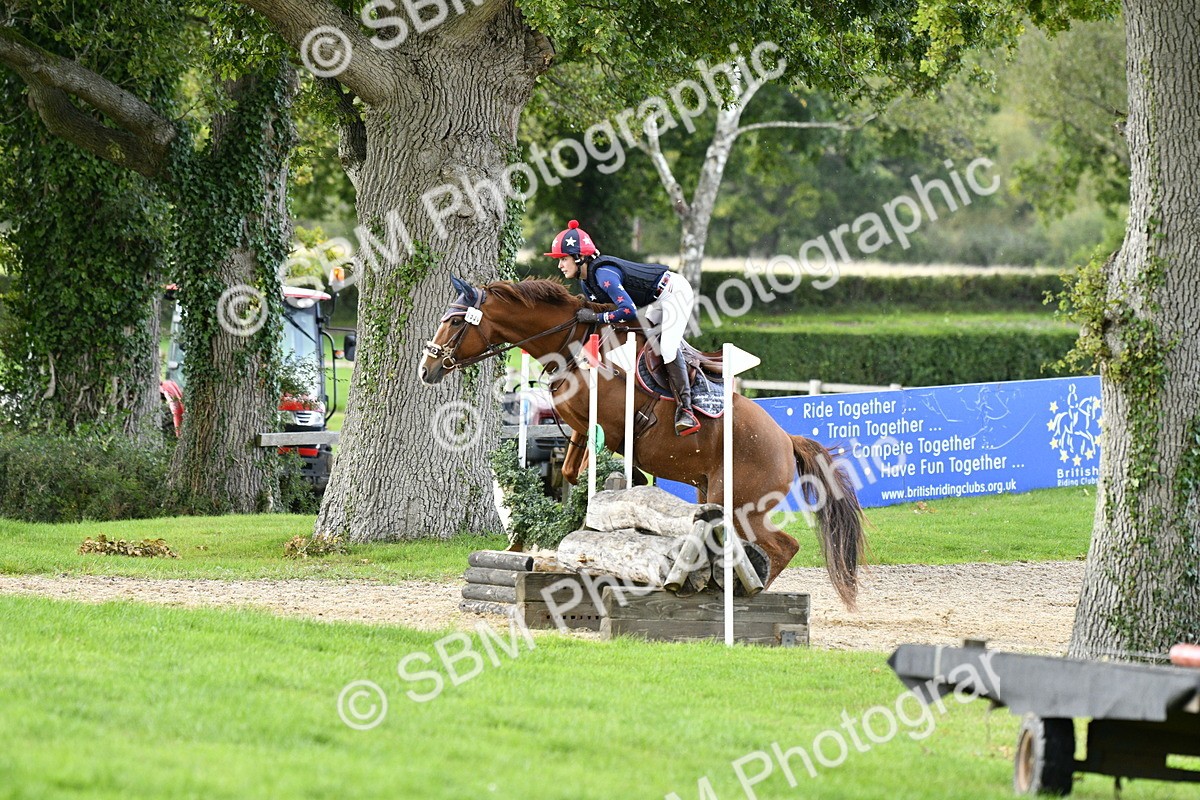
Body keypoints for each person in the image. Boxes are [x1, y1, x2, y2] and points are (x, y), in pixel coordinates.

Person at [544, 219, 700, 436]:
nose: (560, 265)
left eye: (563, 259)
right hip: (654, 301)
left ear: (579, 257)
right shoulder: (586, 282)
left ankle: (686, 410)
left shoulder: (602, 274)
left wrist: (597, 317)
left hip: (674, 293)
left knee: (667, 348)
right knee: (644, 342)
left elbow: (628, 311)